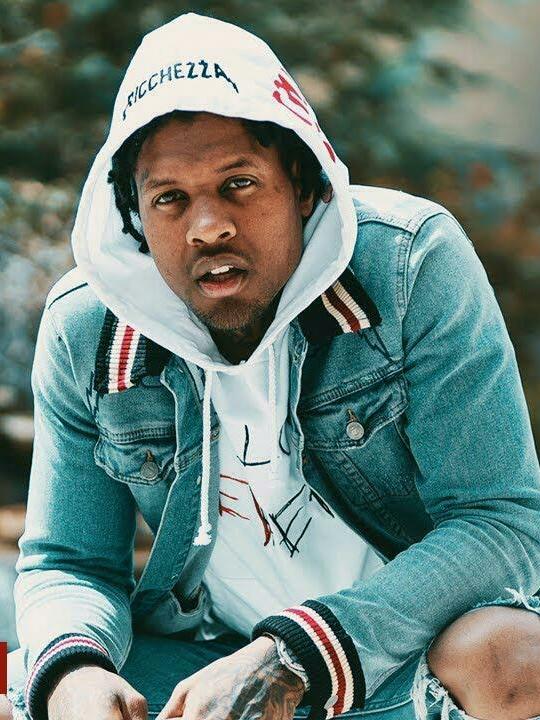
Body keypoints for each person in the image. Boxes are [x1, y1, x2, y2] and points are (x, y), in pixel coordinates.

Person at [5, 11, 540, 720]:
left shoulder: (410, 266)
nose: (208, 227)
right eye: (169, 199)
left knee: (512, 657)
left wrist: (297, 655)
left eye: (239, 183)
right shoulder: (91, 330)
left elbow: (500, 523)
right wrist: (74, 672)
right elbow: (71, 561)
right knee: (35, 686)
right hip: (211, 669)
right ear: (135, 219)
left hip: (404, 664)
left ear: (305, 187)